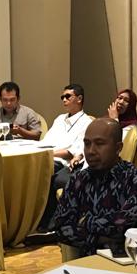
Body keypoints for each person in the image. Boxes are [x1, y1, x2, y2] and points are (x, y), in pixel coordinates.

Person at [53, 118, 137, 255]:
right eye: (87, 144)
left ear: (118, 148)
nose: (91, 151)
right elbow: (61, 227)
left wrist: (84, 222)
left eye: (99, 144)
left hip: (130, 261)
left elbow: (123, 225)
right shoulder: (78, 179)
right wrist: (101, 238)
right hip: (87, 264)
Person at [30, 83, 92, 238]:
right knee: (28, 172)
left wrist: (49, 154)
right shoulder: (59, 119)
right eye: (62, 97)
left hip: (62, 162)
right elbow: (46, 141)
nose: (64, 99)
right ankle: (29, 220)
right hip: (48, 156)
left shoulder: (87, 122)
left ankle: (48, 223)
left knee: (44, 176)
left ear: (79, 99)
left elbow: (73, 152)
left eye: (68, 96)